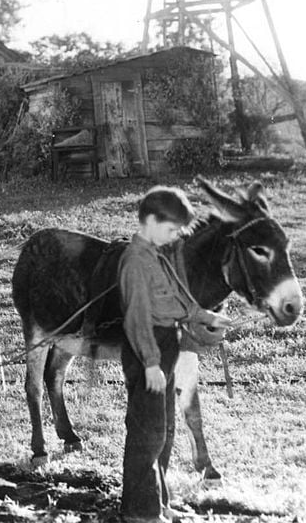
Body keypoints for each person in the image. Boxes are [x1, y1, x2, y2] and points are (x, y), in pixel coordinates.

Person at [118, 186, 231, 523]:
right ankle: (139, 512)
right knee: (147, 432)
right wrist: (151, 364)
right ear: (151, 222)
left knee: (164, 429)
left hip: (165, 343)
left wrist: (205, 316)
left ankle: (159, 503)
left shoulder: (157, 254)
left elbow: (176, 299)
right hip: (147, 348)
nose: (173, 238)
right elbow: (136, 318)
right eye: (170, 230)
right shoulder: (135, 261)